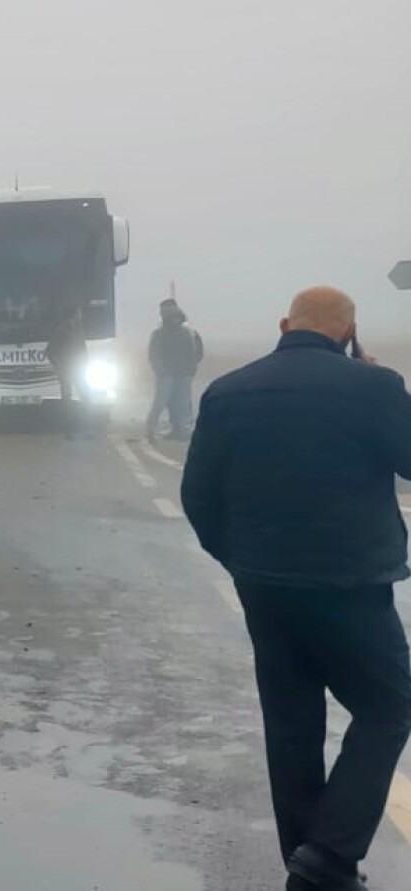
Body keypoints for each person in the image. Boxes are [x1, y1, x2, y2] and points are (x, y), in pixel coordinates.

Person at [180, 286, 411, 891]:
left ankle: (306, 861)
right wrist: (389, 385)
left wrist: (239, 560)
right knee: (388, 708)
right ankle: (330, 857)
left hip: (265, 587)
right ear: (348, 333)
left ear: (285, 325)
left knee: (291, 723)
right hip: (352, 586)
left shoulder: (227, 390)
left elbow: (197, 495)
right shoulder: (374, 387)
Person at [146, 298, 203, 442]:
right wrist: (161, 371)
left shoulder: (186, 333)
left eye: (177, 317)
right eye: (172, 317)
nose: (175, 320)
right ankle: (152, 429)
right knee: (162, 403)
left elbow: (194, 352)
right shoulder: (159, 334)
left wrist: (191, 369)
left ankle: (182, 431)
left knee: (182, 404)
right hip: (167, 375)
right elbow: (154, 354)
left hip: (183, 375)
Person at [46, 304, 87, 437]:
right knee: (67, 402)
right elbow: (50, 352)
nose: (80, 316)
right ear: (73, 315)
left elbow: (82, 350)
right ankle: (70, 431)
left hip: (79, 370)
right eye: (78, 313)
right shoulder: (61, 331)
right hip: (67, 371)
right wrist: (60, 367)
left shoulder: (77, 330)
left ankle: (83, 428)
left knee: (84, 398)